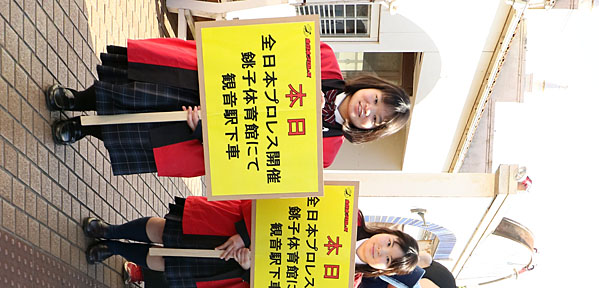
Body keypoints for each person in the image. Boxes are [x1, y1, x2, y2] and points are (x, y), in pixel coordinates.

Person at [45, 39, 410, 174]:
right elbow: (263, 45)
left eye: (377, 119)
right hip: (207, 79)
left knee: (140, 132)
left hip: (204, 131)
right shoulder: (323, 60)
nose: (368, 109)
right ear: (371, 86)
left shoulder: (326, 151)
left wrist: (205, 133)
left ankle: (84, 129)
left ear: (371, 131)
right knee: (136, 90)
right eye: (376, 99)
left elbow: (260, 165)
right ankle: (78, 99)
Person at [81, 204, 420, 288]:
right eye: (390, 243)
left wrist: (249, 269)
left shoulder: (346, 285)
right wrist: (244, 235)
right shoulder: (348, 212)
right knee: (166, 229)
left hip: (235, 270)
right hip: (239, 225)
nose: (382, 250)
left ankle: (112, 249)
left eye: (388, 259)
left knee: (168, 263)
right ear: (388, 233)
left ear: (384, 270)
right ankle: (111, 231)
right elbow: (289, 199)